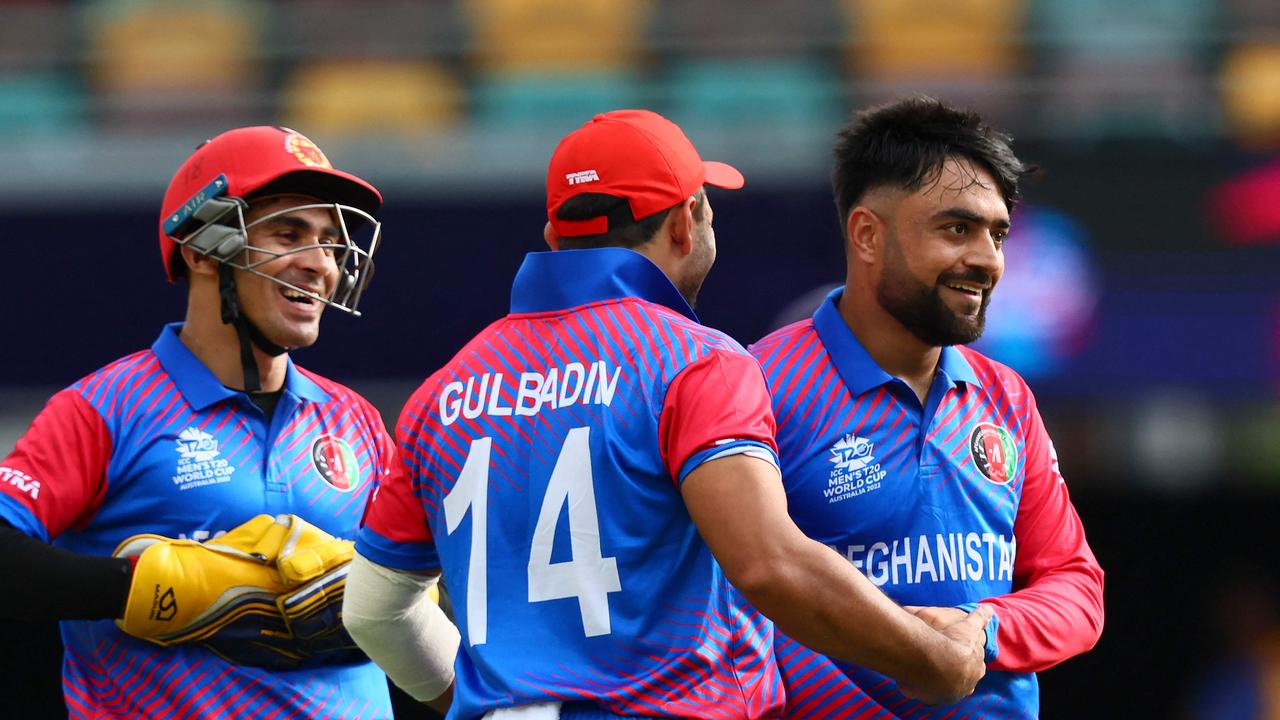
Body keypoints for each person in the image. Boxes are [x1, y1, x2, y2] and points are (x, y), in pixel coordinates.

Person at [346, 109, 996, 720]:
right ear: (689, 221)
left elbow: (374, 611)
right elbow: (770, 564)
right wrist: (930, 655)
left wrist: (498, 703)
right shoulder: (693, 360)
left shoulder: (444, 390)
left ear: (554, 236)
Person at [0, 126, 405, 718]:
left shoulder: (356, 421)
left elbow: (426, 587)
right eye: (289, 233)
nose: (320, 264)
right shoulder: (107, 408)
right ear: (200, 249)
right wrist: (156, 588)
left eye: (329, 243)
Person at [750, 97, 1106, 719]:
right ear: (867, 234)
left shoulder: (1007, 396)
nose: (988, 261)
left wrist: (982, 629)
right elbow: (728, 593)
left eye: (998, 234)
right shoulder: (760, 384)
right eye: (956, 229)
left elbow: (1076, 591)